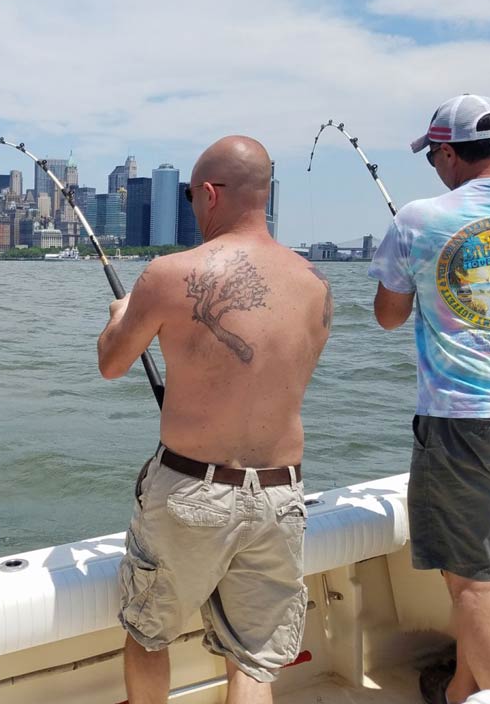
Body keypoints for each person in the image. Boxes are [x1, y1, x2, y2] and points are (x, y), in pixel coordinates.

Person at [97, 136, 332, 704]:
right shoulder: (315, 287)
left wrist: (121, 313)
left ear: (208, 193)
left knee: (150, 635)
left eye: (190, 196)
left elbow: (111, 363)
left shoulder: (170, 272)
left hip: (193, 493)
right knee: (252, 662)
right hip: (282, 496)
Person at [368, 94, 490, 704]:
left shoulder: (420, 220)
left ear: (449, 152)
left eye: (434, 157)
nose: (433, 167)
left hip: (464, 423)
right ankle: (461, 690)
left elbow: (387, 317)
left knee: (474, 586)